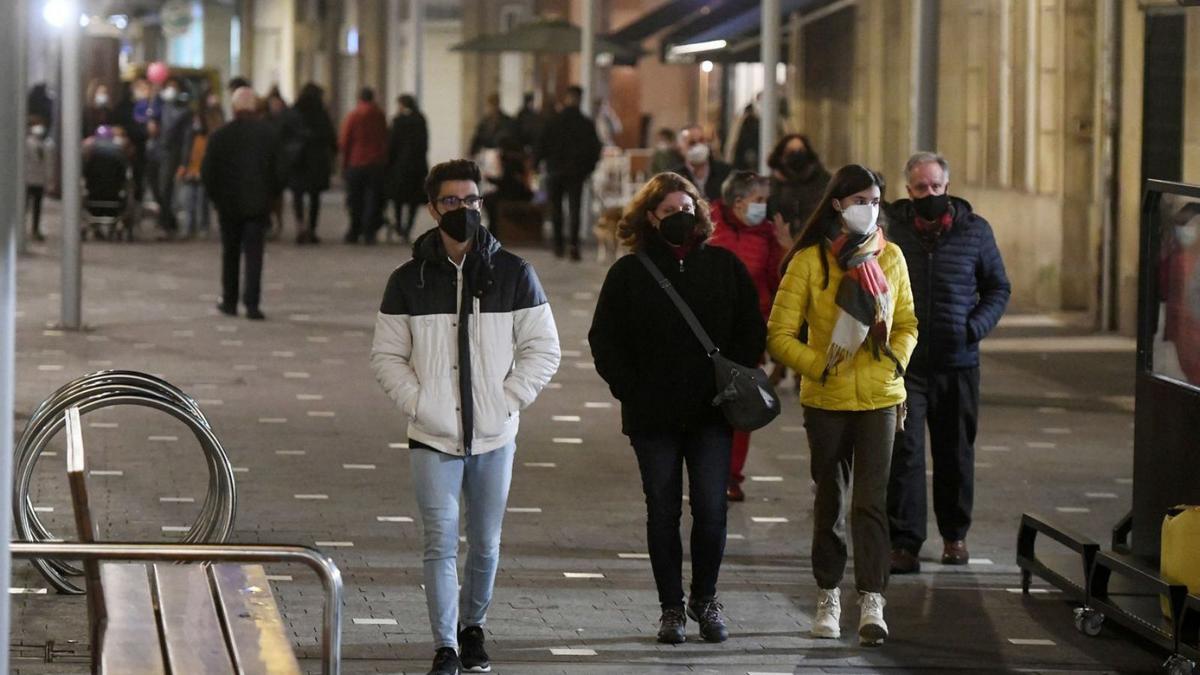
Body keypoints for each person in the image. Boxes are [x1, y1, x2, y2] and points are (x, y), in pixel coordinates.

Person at [370, 159, 561, 675]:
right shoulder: (408, 280)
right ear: (432, 209)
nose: (464, 209)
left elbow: (544, 349)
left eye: (472, 200)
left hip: (495, 434)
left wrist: (506, 400)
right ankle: (445, 646)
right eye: (452, 201)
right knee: (439, 540)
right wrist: (420, 403)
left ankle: (472, 627)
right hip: (432, 435)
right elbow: (387, 355)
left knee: (486, 542)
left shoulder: (515, 274)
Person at [589, 172, 765, 646]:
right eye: (669, 212)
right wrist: (631, 389)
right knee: (662, 510)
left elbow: (751, 327)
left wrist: (736, 378)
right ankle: (671, 608)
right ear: (651, 218)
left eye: (687, 210)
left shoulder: (723, 267)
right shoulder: (630, 273)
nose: (680, 218)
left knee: (711, 508)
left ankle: (704, 599)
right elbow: (605, 340)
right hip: (653, 417)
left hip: (712, 413)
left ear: (700, 214)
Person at [766, 164, 917, 646]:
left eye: (875, 201)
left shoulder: (890, 257)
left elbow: (909, 322)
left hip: (879, 397)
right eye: (859, 202)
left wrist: (898, 361)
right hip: (827, 399)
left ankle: (873, 599)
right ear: (837, 204)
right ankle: (828, 593)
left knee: (871, 504)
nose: (868, 210)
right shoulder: (809, 262)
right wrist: (820, 365)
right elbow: (779, 335)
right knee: (829, 499)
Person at [885, 152, 1011, 574]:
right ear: (909, 190)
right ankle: (905, 542)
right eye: (921, 188)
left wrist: (973, 328)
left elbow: (997, 287)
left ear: (947, 186)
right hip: (906, 364)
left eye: (936, 187)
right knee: (906, 453)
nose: (930, 194)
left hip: (958, 362)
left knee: (955, 452)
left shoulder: (975, 232)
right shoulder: (892, 232)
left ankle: (955, 536)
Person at [707, 171, 783, 502]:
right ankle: (707, 468)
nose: (763, 208)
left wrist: (784, 245)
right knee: (707, 405)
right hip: (707, 328)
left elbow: (777, 281)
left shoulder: (767, 236)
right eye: (759, 201)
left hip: (749, 329)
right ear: (738, 202)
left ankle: (731, 475)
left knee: (741, 402)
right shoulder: (707, 225)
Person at [201, 87, 282, 321]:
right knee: (254, 254)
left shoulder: (220, 136)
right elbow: (280, 170)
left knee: (230, 253)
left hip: (228, 205)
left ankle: (229, 300)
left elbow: (208, 172)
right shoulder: (268, 135)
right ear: (255, 107)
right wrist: (271, 195)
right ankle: (253, 304)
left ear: (234, 108)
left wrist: (216, 198)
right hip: (258, 204)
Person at [535, 85, 603, 260]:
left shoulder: (553, 121)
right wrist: (589, 169)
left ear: (566, 98)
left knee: (556, 209)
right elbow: (595, 149)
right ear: (580, 99)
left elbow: (541, 144)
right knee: (575, 209)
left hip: (555, 171)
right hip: (576, 173)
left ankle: (558, 245)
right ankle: (573, 245)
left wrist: (537, 163)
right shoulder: (586, 123)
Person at [289, 83, 338, 244]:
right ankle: (312, 229)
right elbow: (330, 137)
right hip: (316, 161)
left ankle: (300, 226)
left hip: (297, 160)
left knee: (298, 194)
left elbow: (284, 133)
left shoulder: (294, 111)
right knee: (315, 196)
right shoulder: (321, 113)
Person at [339, 87, 389, 244]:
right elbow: (385, 137)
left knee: (355, 199)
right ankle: (369, 232)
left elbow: (345, 141)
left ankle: (354, 230)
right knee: (373, 199)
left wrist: (344, 164)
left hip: (356, 162)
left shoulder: (353, 116)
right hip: (376, 163)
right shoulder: (379, 115)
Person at [766, 134, 831, 241]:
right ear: (781, 155)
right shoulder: (772, 184)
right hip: (779, 244)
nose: (796, 155)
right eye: (790, 151)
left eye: (800, 150)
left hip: (813, 242)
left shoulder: (823, 181)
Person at [385, 93, 429, 244]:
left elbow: (392, 145)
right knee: (413, 199)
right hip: (417, 166)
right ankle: (408, 228)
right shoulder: (421, 119)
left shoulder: (398, 121)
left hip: (400, 166)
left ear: (402, 105)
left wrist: (388, 163)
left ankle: (398, 224)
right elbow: (425, 144)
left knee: (398, 198)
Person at [672, 125, 731, 202]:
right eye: (692, 143)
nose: (698, 146)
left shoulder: (727, 173)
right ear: (680, 148)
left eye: (702, 140)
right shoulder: (674, 179)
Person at [177, 112, 212, 238]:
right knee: (188, 203)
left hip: (202, 174)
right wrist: (185, 168)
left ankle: (203, 227)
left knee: (202, 203)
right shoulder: (189, 137)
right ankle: (189, 228)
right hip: (190, 174)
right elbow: (186, 154)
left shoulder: (207, 138)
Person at [24, 116, 53, 242]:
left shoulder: (45, 144)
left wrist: (49, 180)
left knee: (37, 207)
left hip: (39, 180)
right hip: (28, 179)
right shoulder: (26, 143)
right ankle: (22, 229)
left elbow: (48, 164)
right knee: (25, 206)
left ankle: (35, 229)